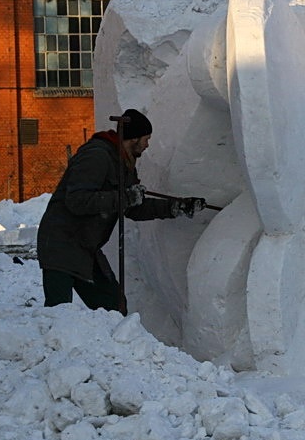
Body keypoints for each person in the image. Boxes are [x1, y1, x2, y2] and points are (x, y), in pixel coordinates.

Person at [37, 109, 206, 312]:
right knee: (58, 314)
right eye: (146, 139)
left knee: (114, 307)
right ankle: (54, 344)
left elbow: (135, 208)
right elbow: (77, 200)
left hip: (85, 248)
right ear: (134, 138)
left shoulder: (124, 165)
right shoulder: (96, 156)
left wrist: (175, 207)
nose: (147, 145)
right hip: (61, 244)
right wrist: (125, 197)